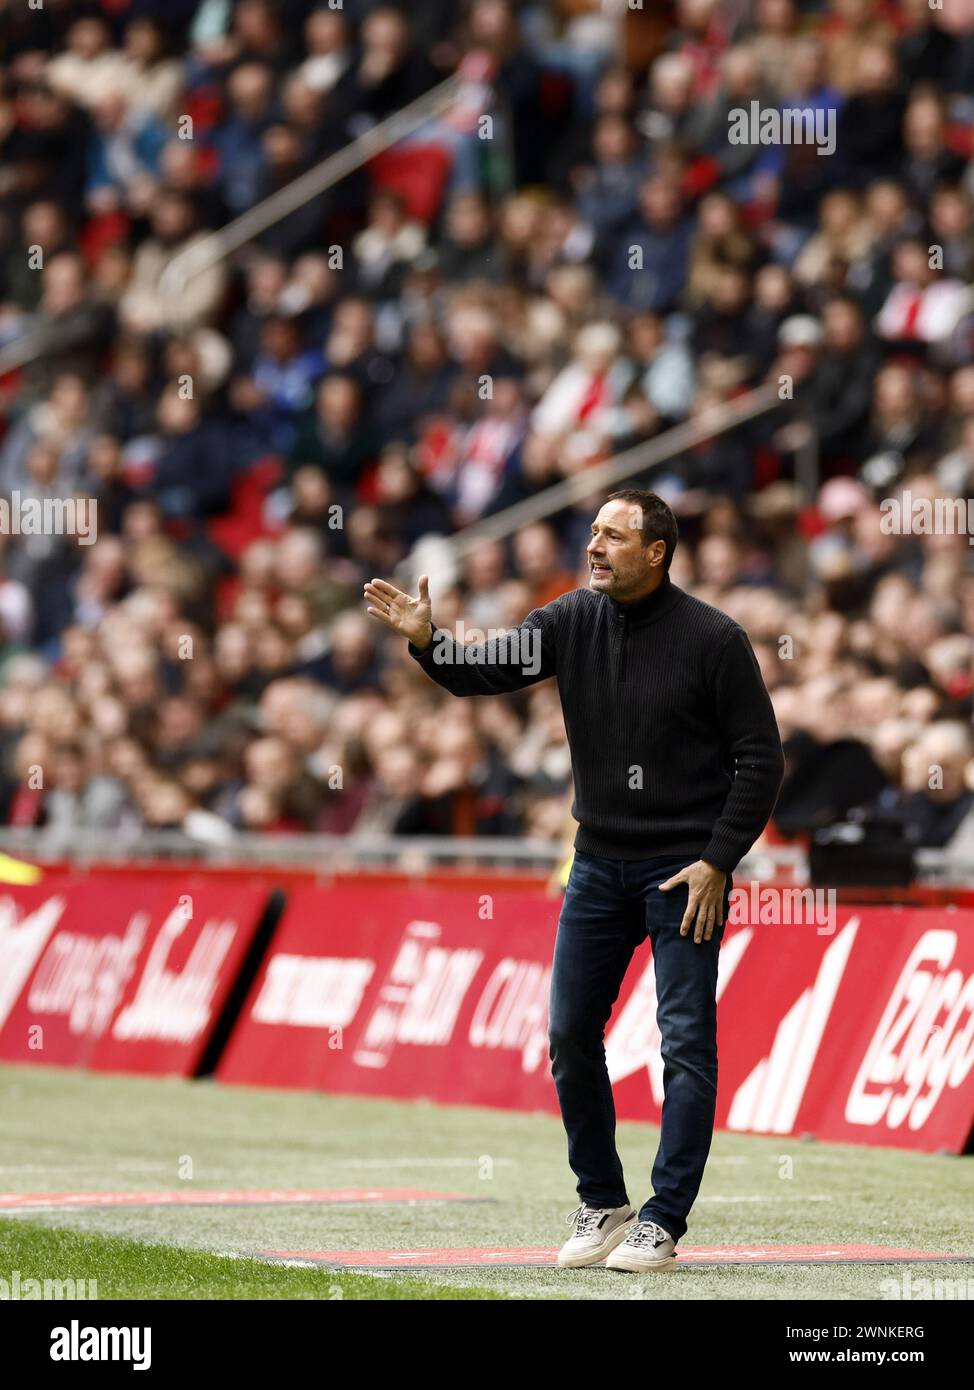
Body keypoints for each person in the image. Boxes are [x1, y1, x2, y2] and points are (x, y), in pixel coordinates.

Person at [363, 488, 784, 1273]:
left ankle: (665, 1218)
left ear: (656, 552)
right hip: (596, 863)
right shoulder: (568, 619)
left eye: (614, 537)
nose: (594, 546)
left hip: (682, 871)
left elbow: (761, 759)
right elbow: (481, 674)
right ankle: (604, 1200)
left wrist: (720, 859)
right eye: (592, 532)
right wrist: (431, 642)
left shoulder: (714, 640)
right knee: (566, 1035)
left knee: (686, 1044)